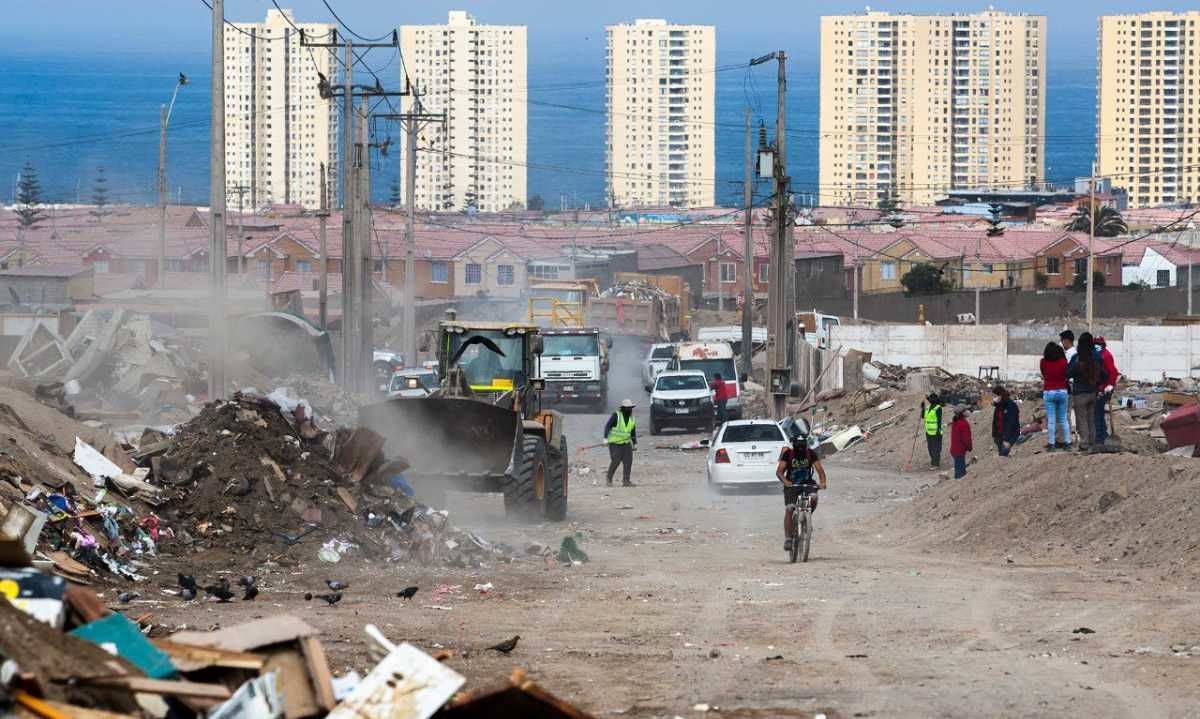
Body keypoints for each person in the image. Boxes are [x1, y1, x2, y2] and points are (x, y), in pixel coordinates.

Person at [775, 417, 828, 553]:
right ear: (794, 444)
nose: (800, 448)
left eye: (802, 445)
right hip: (792, 485)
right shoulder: (788, 454)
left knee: (814, 498)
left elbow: (820, 470)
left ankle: (807, 516)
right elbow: (779, 472)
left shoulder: (810, 454)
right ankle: (788, 538)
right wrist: (786, 482)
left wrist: (823, 483)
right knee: (789, 508)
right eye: (798, 445)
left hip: (807, 483)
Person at [1067, 332, 1108, 452]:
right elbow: (1103, 374)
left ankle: (1084, 443)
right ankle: (1092, 442)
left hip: (1079, 393)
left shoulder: (1077, 357)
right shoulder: (1097, 356)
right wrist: (1097, 384)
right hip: (1093, 392)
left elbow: (1068, 373)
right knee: (1091, 418)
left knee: (1081, 419)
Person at [1040, 341, 1070, 450]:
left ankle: (1051, 444)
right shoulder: (1063, 361)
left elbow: (1044, 374)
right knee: (1063, 419)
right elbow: (1066, 374)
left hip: (1049, 391)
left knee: (1051, 420)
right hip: (1062, 391)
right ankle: (1067, 442)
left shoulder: (1043, 362)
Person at [603, 399, 638, 487]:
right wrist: (605, 438)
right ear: (623, 408)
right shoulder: (616, 416)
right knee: (616, 460)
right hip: (615, 443)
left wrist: (635, 443)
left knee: (628, 461)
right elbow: (608, 426)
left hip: (626, 443)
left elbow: (633, 432)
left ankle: (626, 481)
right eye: (627, 408)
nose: (629, 410)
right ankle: (609, 478)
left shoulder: (632, 419)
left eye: (630, 408)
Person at [1094, 336, 1120, 444]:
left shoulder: (1106, 355)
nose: (1097, 346)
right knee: (1098, 412)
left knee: (1098, 411)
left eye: (1098, 344)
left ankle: (1101, 435)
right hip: (1097, 388)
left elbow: (1113, 372)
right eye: (1095, 344)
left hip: (1105, 389)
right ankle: (1102, 434)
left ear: (1103, 345)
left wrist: (1110, 385)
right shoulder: (1096, 355)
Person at [991, 385, 1020, 456]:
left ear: (1000, 395)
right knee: (1001, 455)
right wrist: (995, 435)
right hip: (999, 436)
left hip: (1009, 436)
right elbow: (995, 421)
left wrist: (1006, 439)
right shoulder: (998, 406)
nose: (993, 398)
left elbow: (1011, 423)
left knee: (1004, 454)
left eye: (995, 396)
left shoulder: (1011, 405)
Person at [949, 406, 973, 479]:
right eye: (965, 411)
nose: (967, 412)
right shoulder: (963, 424)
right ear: (961, 413)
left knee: (958, 468)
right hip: (959, 450)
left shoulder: (955, 422)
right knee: (960, 473)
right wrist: (969, 447)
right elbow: (966, 438)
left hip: (955, 449)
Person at [921, 393, 944, 468]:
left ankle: (936, 463)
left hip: (936, 432)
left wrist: (938, 430)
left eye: (931, 399)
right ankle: (933, 462)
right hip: (928, 432)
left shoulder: (938, 408)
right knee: (930, 448)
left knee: (936, 448)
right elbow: (923, 416)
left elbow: (939, 420)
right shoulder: (928, 408)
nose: (930, 400)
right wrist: (922, 408)